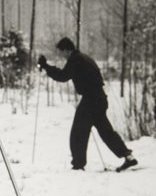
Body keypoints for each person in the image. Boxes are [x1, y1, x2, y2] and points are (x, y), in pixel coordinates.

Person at [37, 37, 137, 172]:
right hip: (100, 98)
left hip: (91, 99)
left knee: (78, 132)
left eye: (61, 52)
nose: (61, 55)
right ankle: (128, 156)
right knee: (106, 132)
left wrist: (46, 66)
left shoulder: (75, 59)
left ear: (67, 50)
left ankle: (78, 165)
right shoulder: (84, 57)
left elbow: (63, 76)